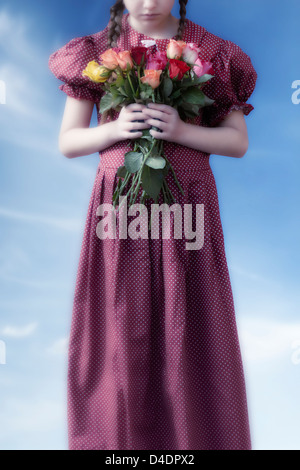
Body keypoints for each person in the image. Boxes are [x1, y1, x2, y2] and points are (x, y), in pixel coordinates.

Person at [48, 0, 257, 451]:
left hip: (188, 213)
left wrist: (183, 133)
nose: (147, 2)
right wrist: (116, 129)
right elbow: (68, 141)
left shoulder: (210, 51)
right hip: (119, 214)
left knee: (195, 327)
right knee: (121, 331)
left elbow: (237, 141)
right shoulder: (97, 51)